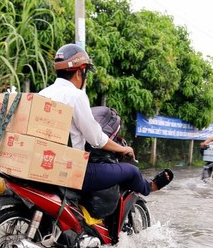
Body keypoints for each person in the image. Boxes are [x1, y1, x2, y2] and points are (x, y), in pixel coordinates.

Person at [38, 44, 173, 195]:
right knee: (132, 171)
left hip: (42, 165)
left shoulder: (43, 93)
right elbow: (96, 139)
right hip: (72, 170)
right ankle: (149, 187)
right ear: (79, 72)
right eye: (86, 72)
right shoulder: (76, 95)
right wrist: (123, 149)